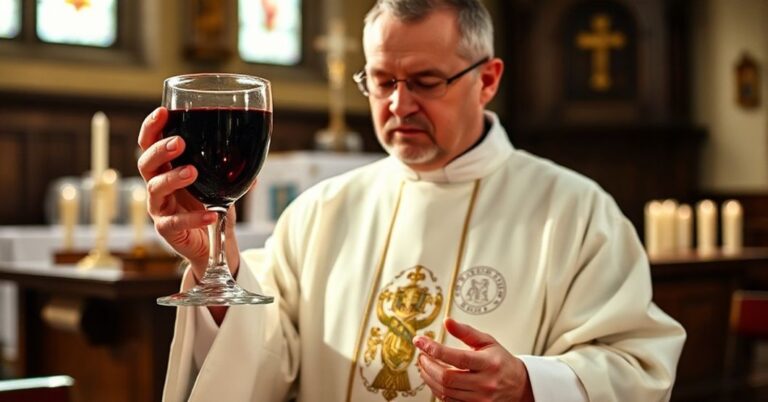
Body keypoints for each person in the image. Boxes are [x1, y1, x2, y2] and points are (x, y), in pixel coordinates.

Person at [137, 0, 686, 401]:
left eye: (426, 81)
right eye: (381, 81)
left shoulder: (575, 212)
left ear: (488, 79)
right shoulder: (322, 211)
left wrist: (527, 384)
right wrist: (215, 256)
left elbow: (638, 366)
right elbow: (265, 359)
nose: (399, 105)